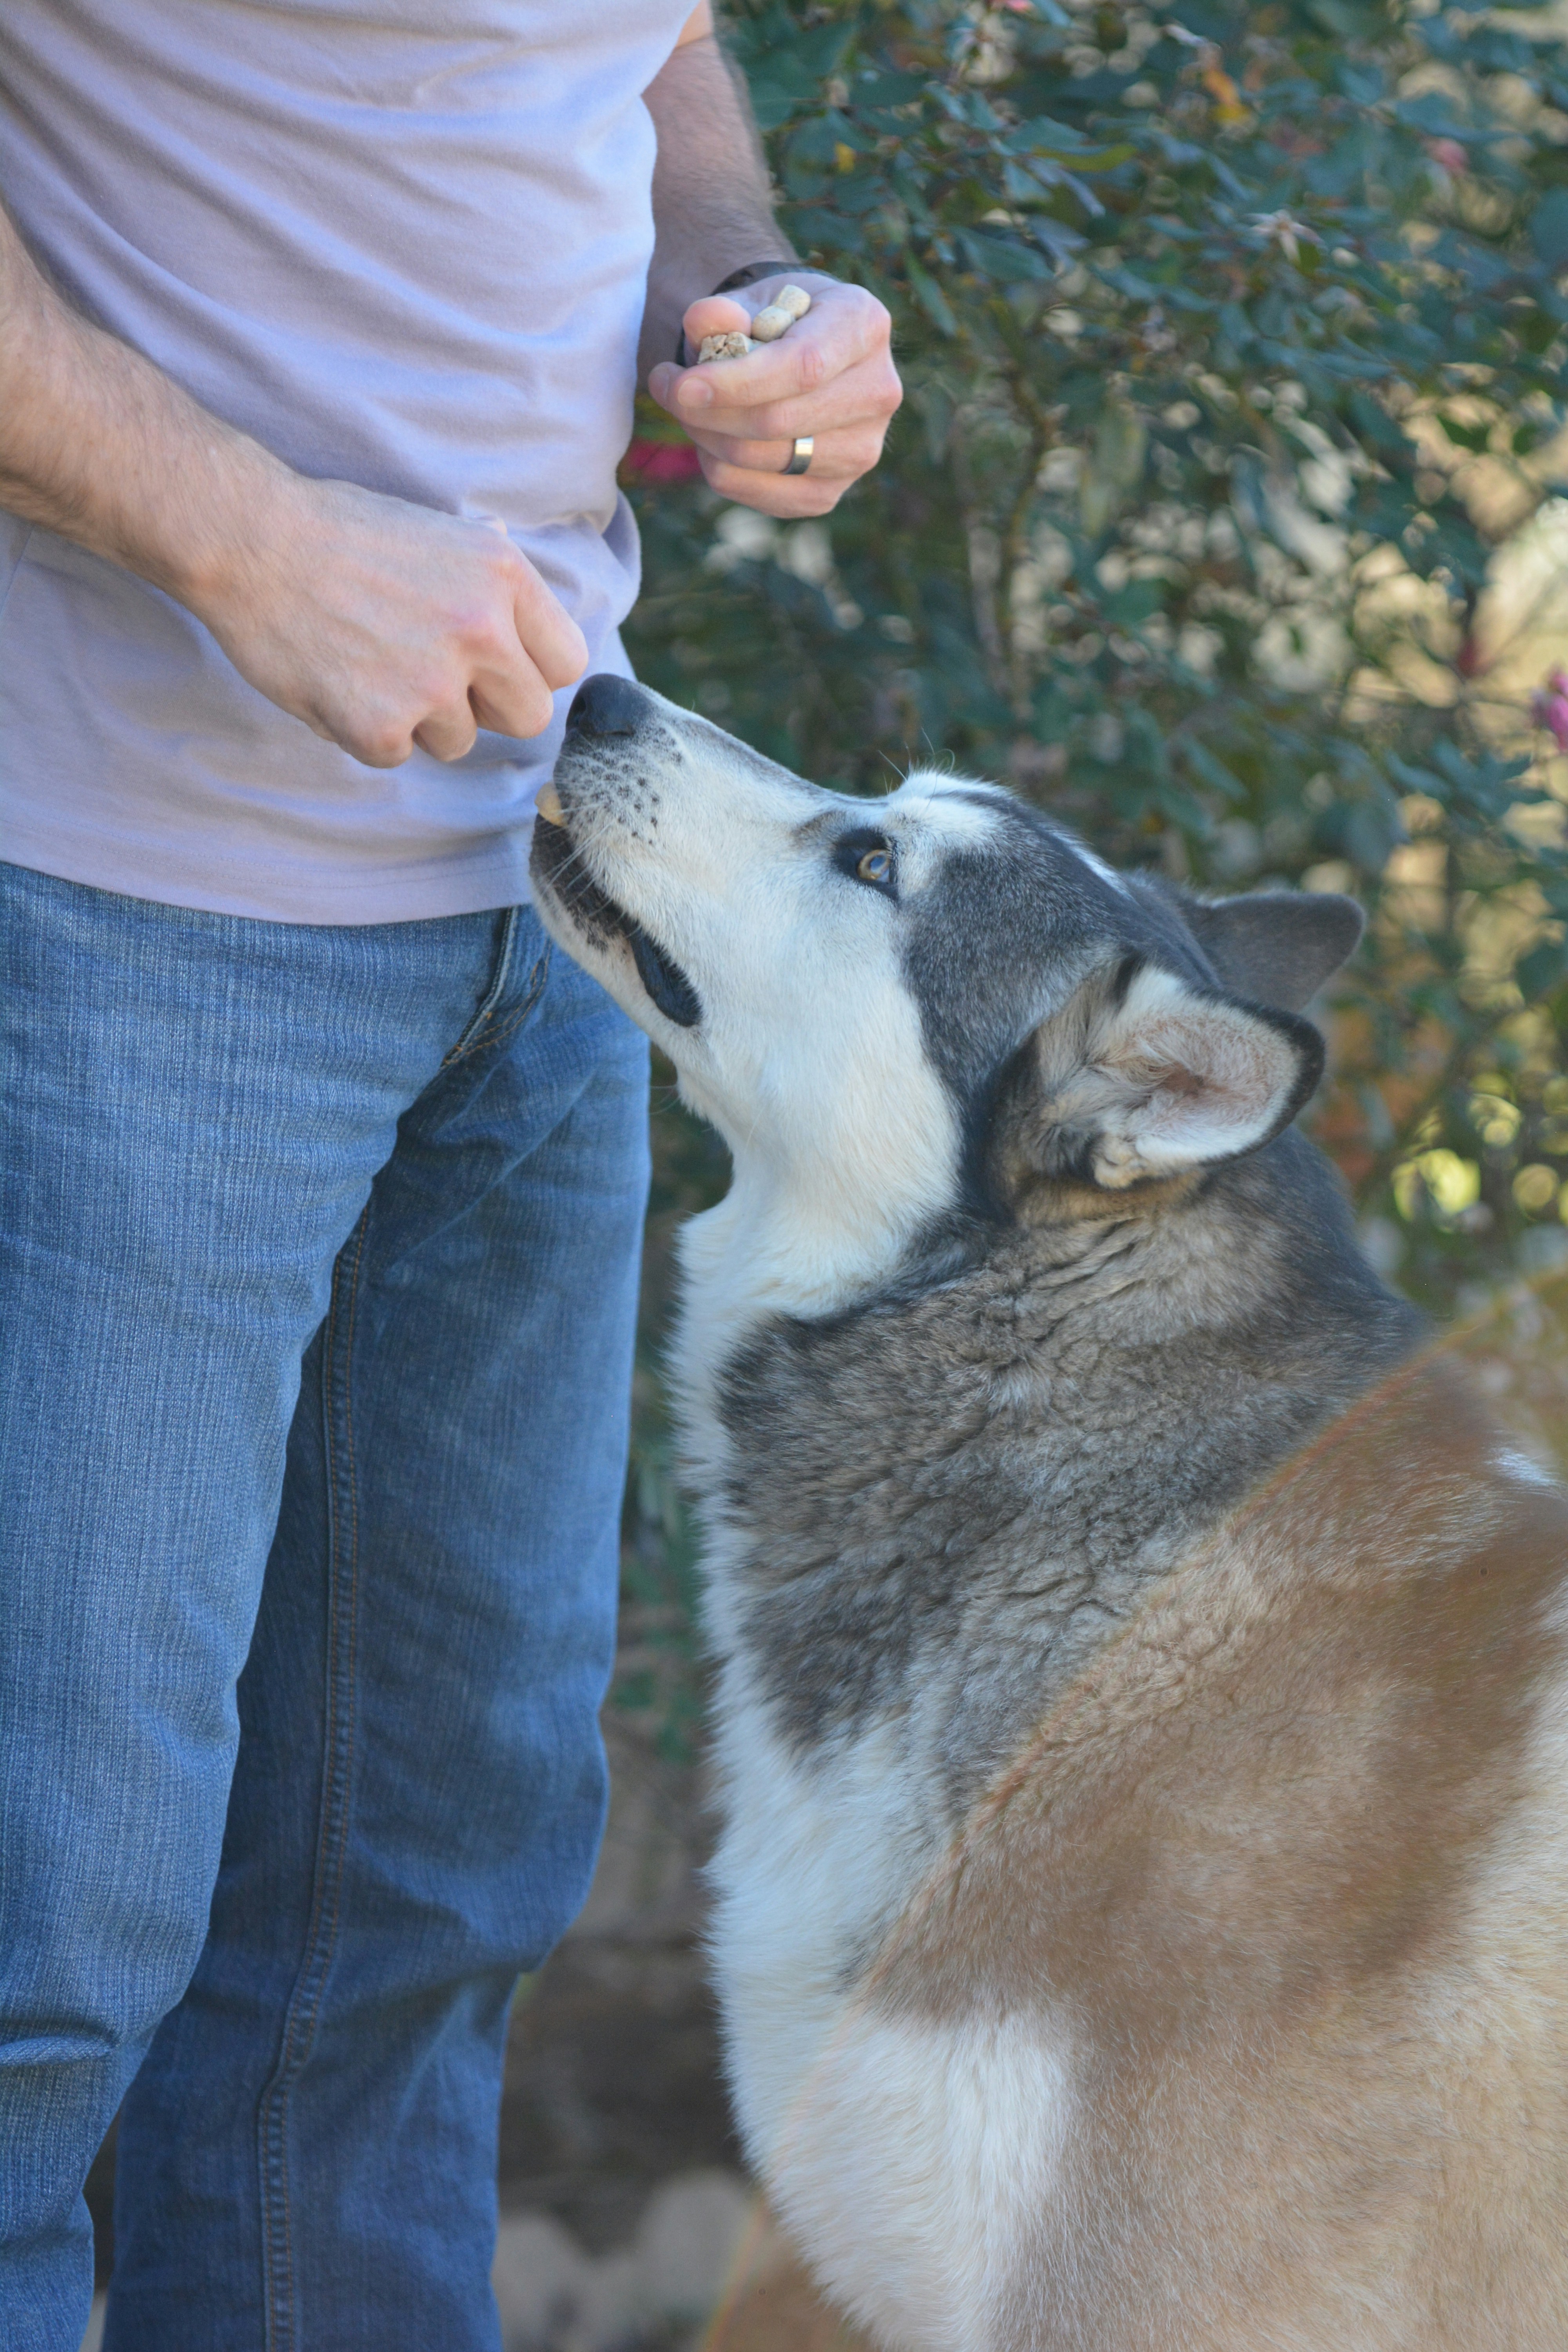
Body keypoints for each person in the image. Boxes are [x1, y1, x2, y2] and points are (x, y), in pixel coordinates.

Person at [0, 5, 900, 2345]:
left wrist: (737, 284)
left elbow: (640, 40)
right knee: (34, 1961)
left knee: (402, 1937)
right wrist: (247, 537)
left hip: (534, 916)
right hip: (94, 896)